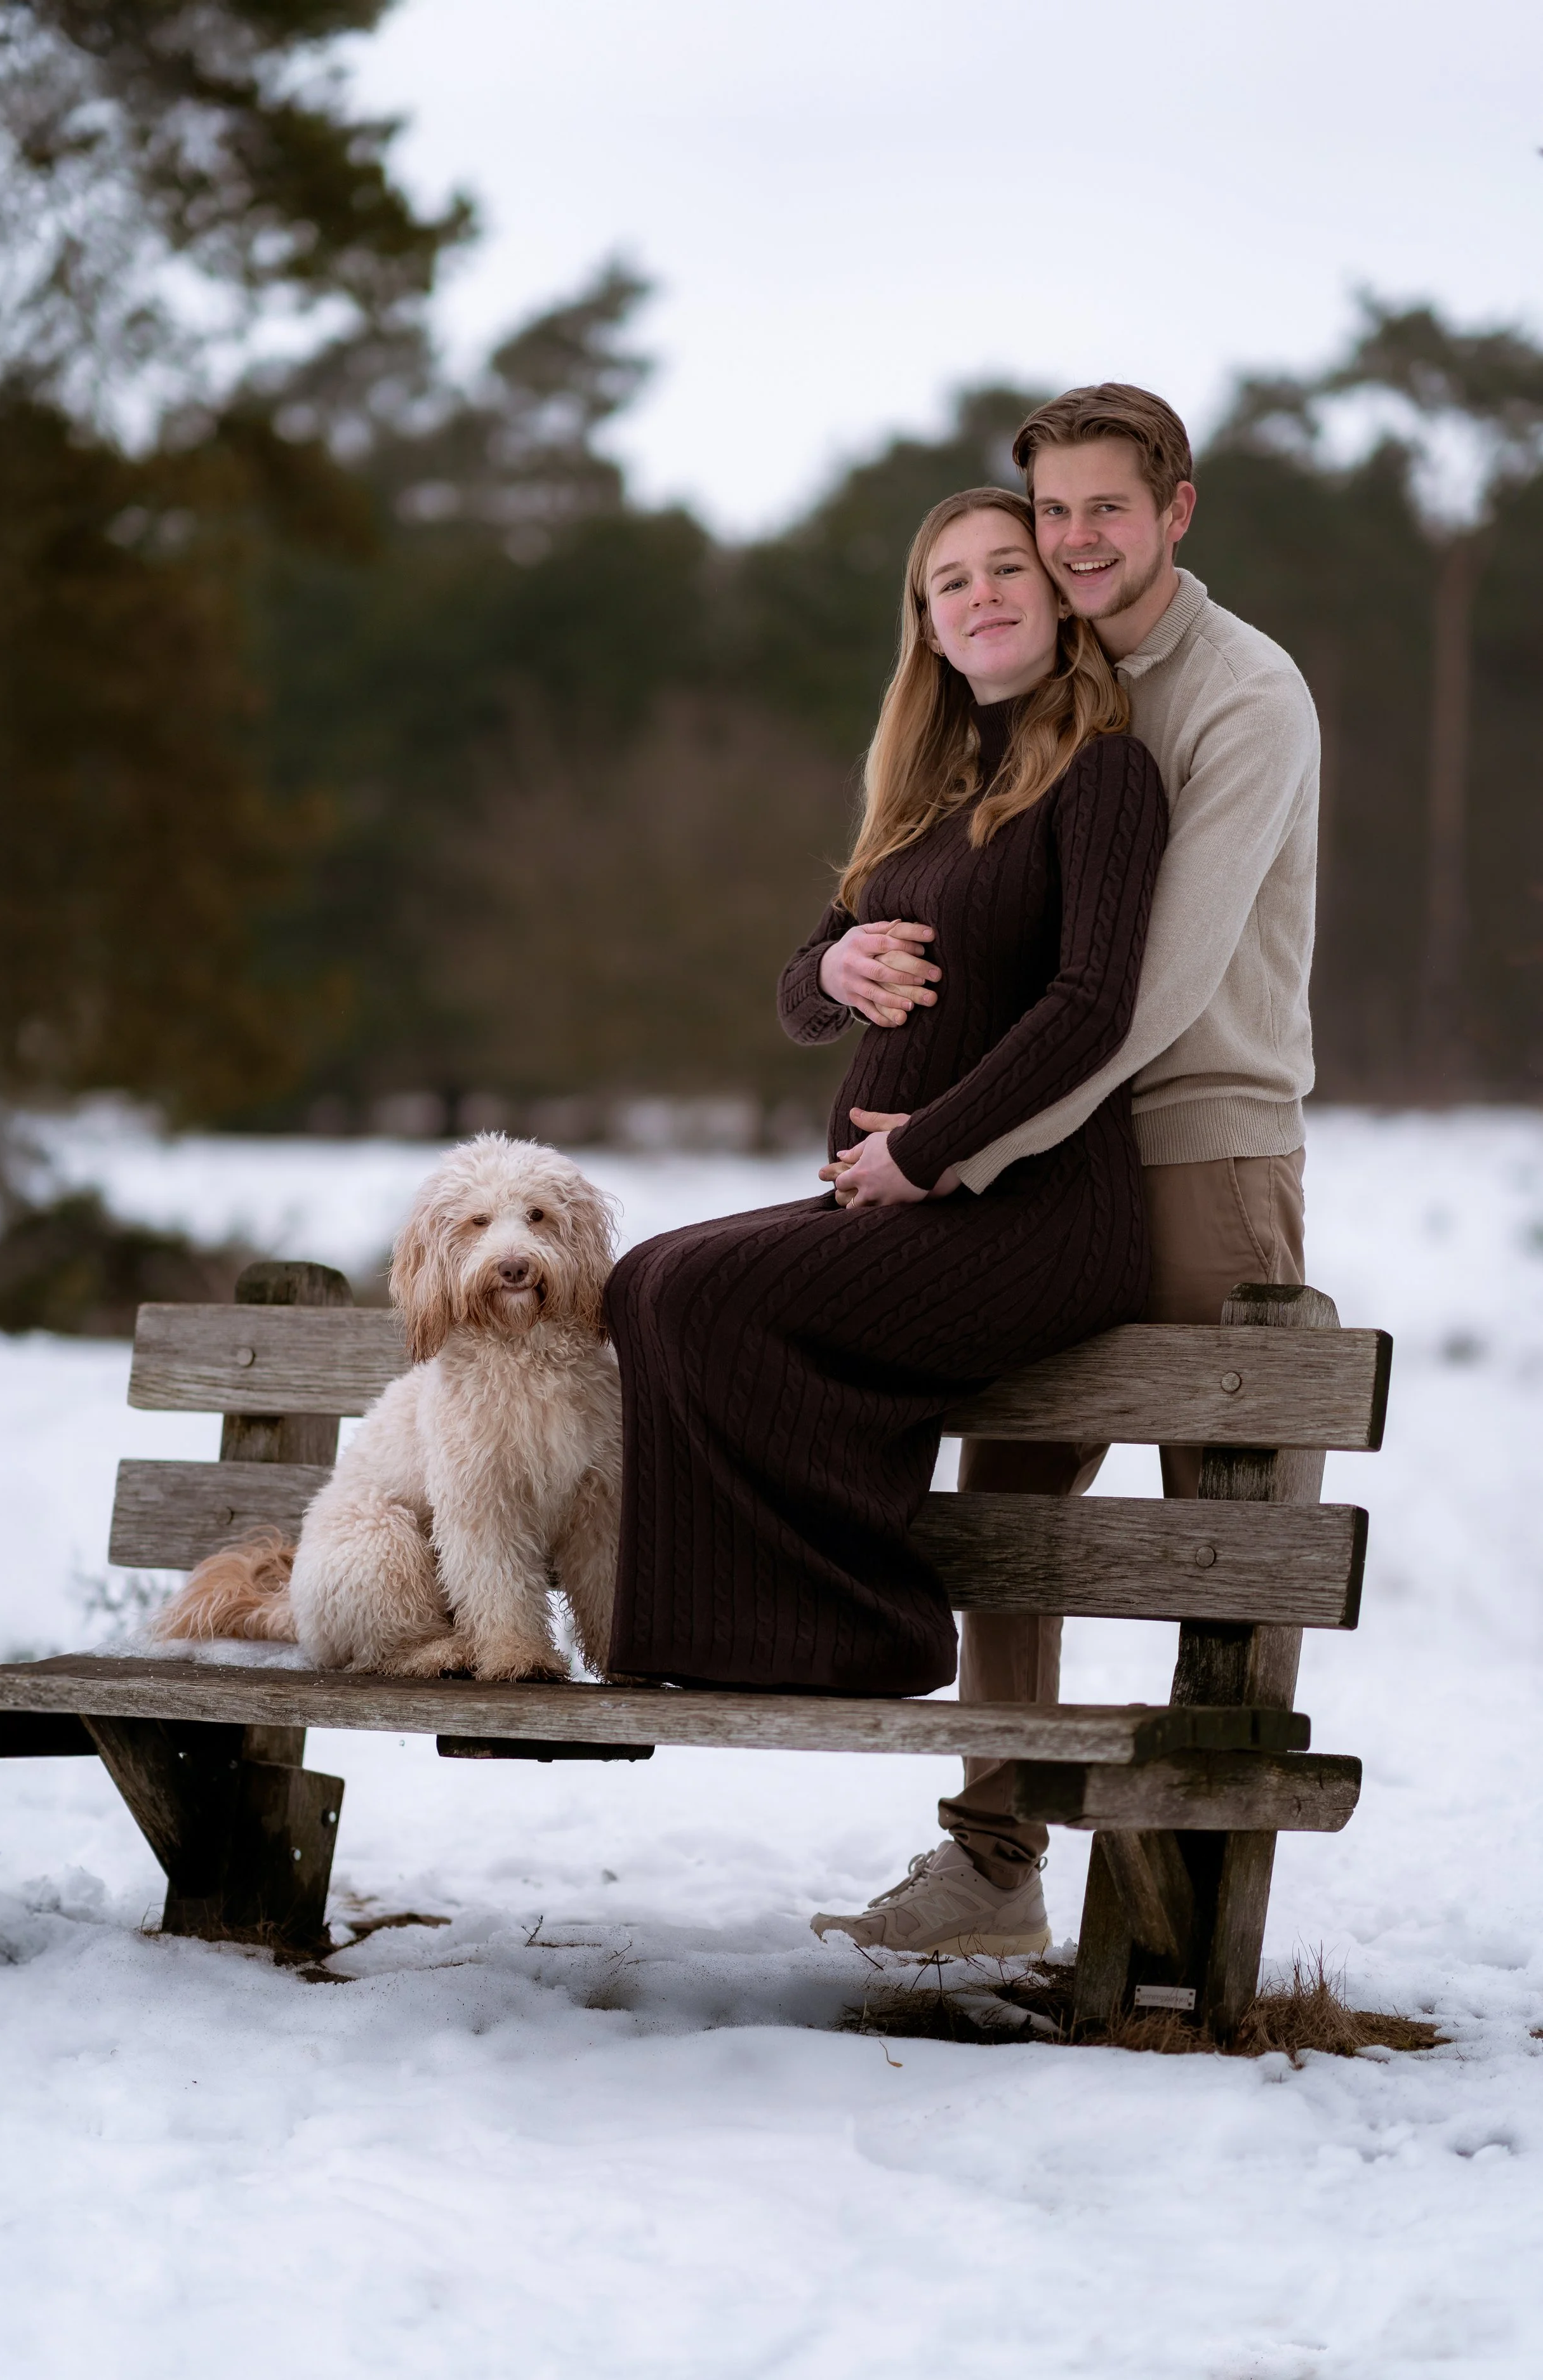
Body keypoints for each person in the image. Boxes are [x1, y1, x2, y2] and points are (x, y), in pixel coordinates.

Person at [813, 383, 1320, 1959]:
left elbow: (1151, 990)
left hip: (1193, 1148)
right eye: (1053, 511)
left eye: (1108, 506)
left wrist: (948, 1146)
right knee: (1012, 1511)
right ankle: (991, 1859)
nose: (1074, 538)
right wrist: (846, 973)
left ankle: (1188, 1883)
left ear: (1175, 511)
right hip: (1016, 1160)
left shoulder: (1242, 696)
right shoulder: (1029, 681)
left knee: (1223, 1533)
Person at [602, 486, 1167, 1860]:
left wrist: (926, 1149)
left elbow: (1089, 1006)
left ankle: (860, 1627)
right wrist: (835, 969)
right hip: (904, 1196)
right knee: (645, 1281)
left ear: (1052, 595)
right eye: (944, 584)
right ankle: (724, 1635)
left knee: (705, 1295)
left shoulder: (1099, 775)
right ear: (921, 622)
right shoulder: (920, 790)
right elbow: (799, 993)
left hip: (1036, 1212)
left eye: (1002, 570)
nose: (976, 597)